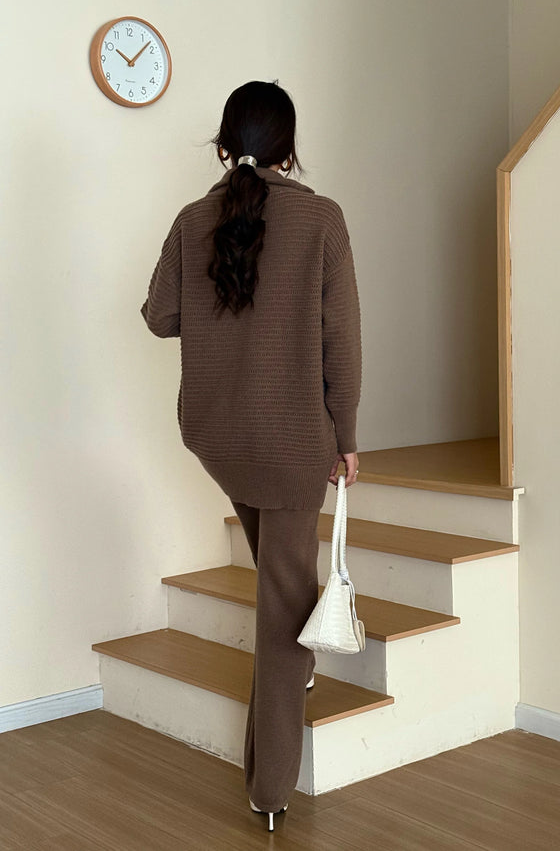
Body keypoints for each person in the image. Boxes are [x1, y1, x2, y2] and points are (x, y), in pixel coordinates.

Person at [140, 80, 362, 831]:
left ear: (223, 145)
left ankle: (292, 680)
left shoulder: (191, 219)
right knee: (286, 608)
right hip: (295, 442)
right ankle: (270, 789)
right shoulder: (321, 218)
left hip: (220, 438)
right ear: (289, 151)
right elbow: (342, 342)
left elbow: (160, 316)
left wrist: (225, 306)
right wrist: (346, 435)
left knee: (279, 579)